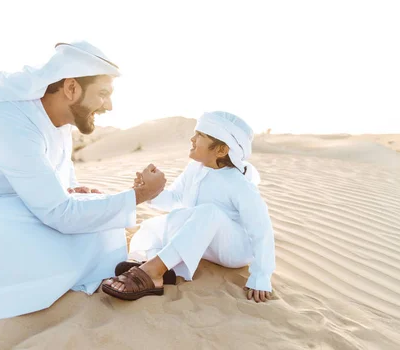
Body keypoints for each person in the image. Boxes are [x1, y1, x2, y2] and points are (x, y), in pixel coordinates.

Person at [0, 41, 167, 319]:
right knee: (55, 224)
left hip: (19, 214)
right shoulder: (7, 120)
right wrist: (139, 195)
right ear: (71, 88)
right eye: (103, 94)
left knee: (99, 219)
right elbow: (59, 213)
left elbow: (57, 191)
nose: (108, 105)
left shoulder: (59, 125)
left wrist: (75, 192)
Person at [102, 111, 275, 303]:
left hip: (233, 249)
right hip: (203, 239)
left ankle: (152, 272)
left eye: (200, 135)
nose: (192, 139)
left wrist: (261, 276)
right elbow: (175, 198)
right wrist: (149, 190)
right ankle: (155, 267)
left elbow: (262, 230)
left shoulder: (239, 184)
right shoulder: (195, 168)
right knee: (155, 226)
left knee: (209, 212)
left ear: (221, 150)